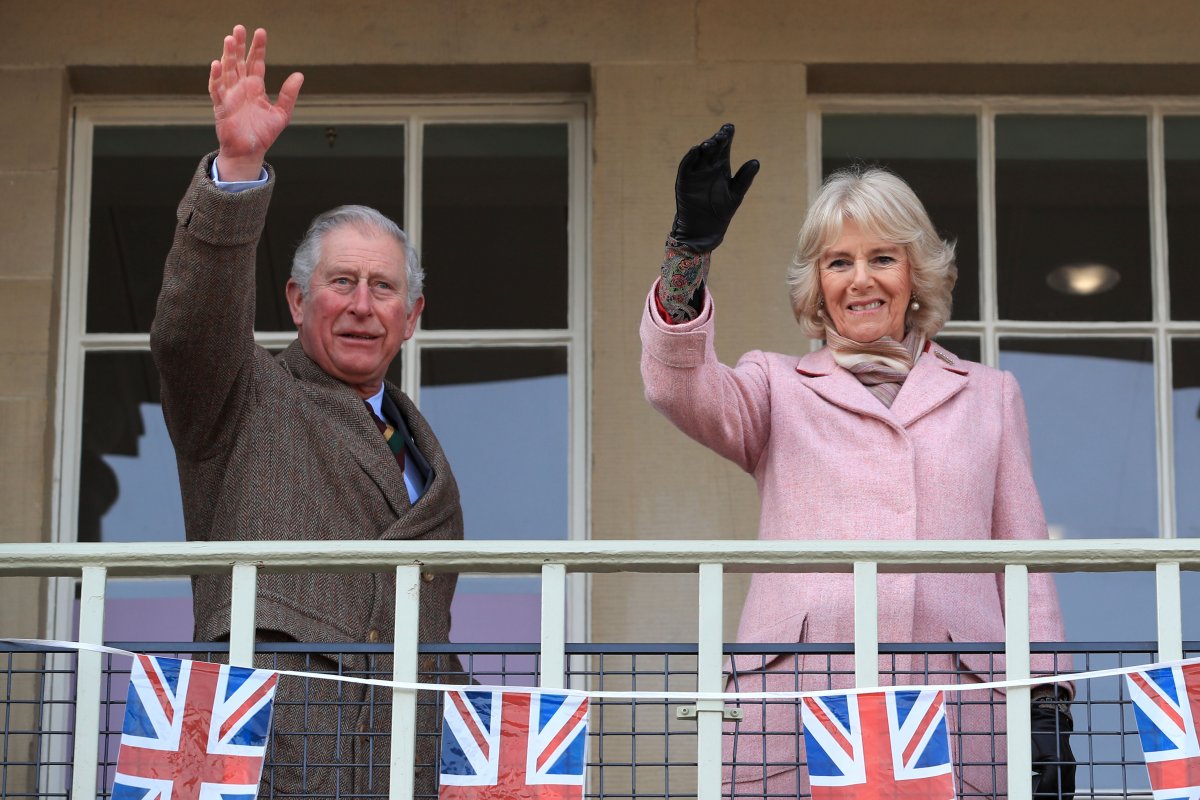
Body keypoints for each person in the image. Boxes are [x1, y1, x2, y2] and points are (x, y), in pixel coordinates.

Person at [640, 124, 1076, 798]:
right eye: (839, 262)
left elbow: (1022, 560)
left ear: (916, 272)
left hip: (959, 709)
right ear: (817, 282)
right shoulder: (774, 386)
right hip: (796, 708)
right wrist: (687, 256)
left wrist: (1048, 701)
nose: (860, 280)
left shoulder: (990, 396)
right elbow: (677, 386)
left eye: (882, 258)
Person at [150, 25, 463, 797]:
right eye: (341, 283)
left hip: (400, 761)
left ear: (412, 315)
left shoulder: (420, 442)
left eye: (383, 288)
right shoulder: (245, 395)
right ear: (295, 300)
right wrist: (238, 170)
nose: (362, 306)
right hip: (262, 750)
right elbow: (188, 332)